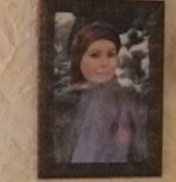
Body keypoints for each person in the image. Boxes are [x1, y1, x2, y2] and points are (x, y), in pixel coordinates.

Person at [56, 22, 150, 165]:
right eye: (95, 55)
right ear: (78, 58)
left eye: (111, 54)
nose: (104, 63)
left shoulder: (126, 99)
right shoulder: (60, 104)